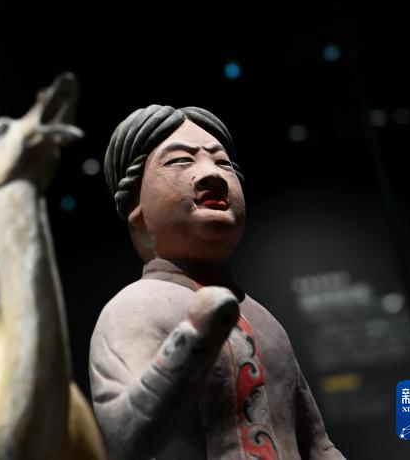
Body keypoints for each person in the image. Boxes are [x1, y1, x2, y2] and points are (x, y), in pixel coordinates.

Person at [89, 105, 344, 459]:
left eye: (223, 163)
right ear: (137, 209)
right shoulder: (135, 309)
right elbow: (125, 436)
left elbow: (319, 445)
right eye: (180, 161)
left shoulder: (264, 320)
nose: (212, 174)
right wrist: (194, 340)